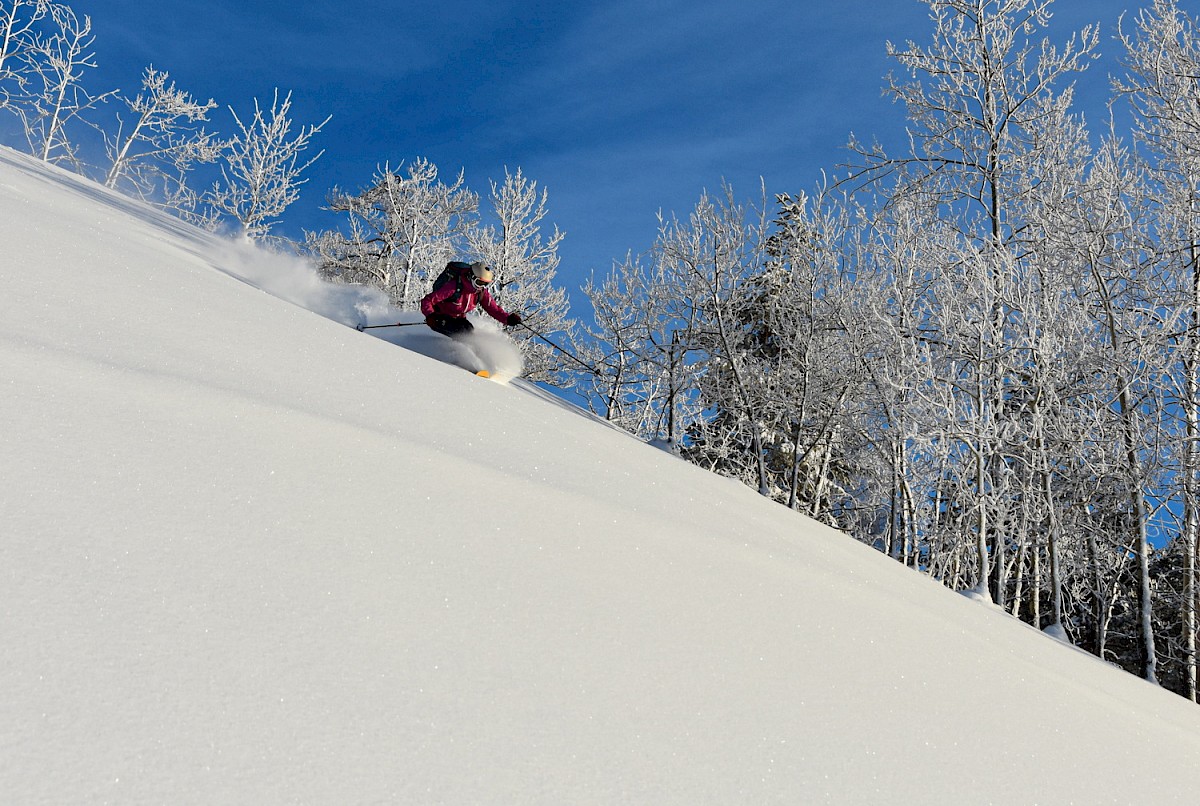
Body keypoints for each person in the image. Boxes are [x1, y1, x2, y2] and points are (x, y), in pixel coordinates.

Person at [420, 261, 522, 338]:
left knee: (470, 331)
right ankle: (454, 355)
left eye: (485, 284)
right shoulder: (454, 287)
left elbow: (493, 309)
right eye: (479, 282)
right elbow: (427, 300)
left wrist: (508, 319)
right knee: (462, 334)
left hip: (459, 319)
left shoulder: (480, 292)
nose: (481, 286)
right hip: (440, 318)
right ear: (471, 277)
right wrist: (431, 316)